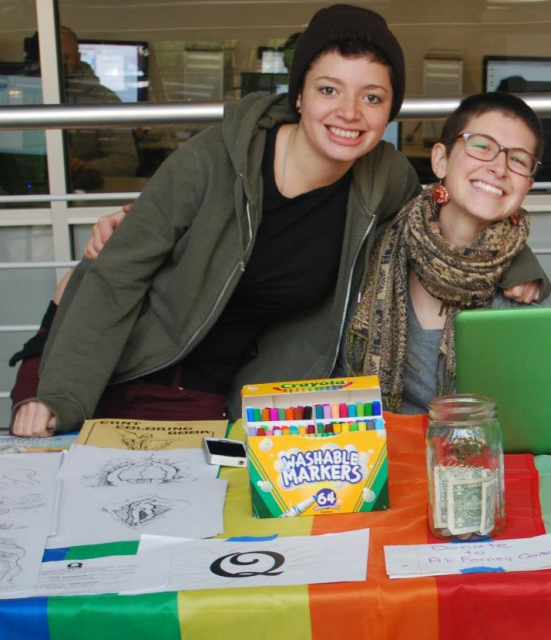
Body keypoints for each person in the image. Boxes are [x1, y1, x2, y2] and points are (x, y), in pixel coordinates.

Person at [10, 5, 547, 438]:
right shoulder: (211, 160)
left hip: (214, 387)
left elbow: (447, 208)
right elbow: (115, 277)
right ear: (298, 95)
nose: (349, 114)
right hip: (119, 358)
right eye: (329, 89)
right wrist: (64, 396)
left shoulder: (381, 180)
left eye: (373, 97)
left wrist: (516, 262)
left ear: (390, 113)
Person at [346, 92, 550, 414]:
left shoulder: (529, 302)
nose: (499, 167)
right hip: (379, 449)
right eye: (482, 146)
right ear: (441, 159)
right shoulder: (375, 246)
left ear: (527, 184)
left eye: (518, 160)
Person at [23, 28, 139, 189]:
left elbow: (127, 161)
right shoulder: (22, 95)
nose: (57, 66)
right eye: (49, 58)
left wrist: (85, 166)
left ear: (77, 58)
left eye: (64, 58)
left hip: (85, 194)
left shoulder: (103, 100)